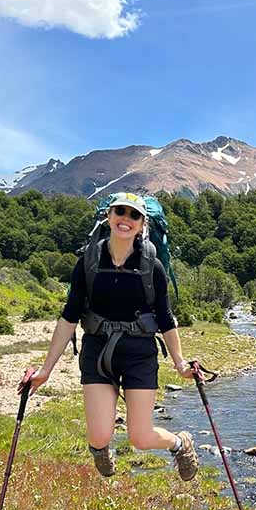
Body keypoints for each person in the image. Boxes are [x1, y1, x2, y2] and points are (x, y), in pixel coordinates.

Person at [20, 192, 199, 480]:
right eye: (120, 212)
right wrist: (45, 370)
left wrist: (180, 364)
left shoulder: (151, 265)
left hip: (139, 354)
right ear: (109, 216)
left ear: (142, 224)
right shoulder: (88, 261)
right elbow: (69, 317)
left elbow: (165, 318)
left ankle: (180, 443)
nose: (125, 219)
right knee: (100, 436)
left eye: (133, 215)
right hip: (97, 352)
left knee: (140, 438)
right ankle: (101, 449)